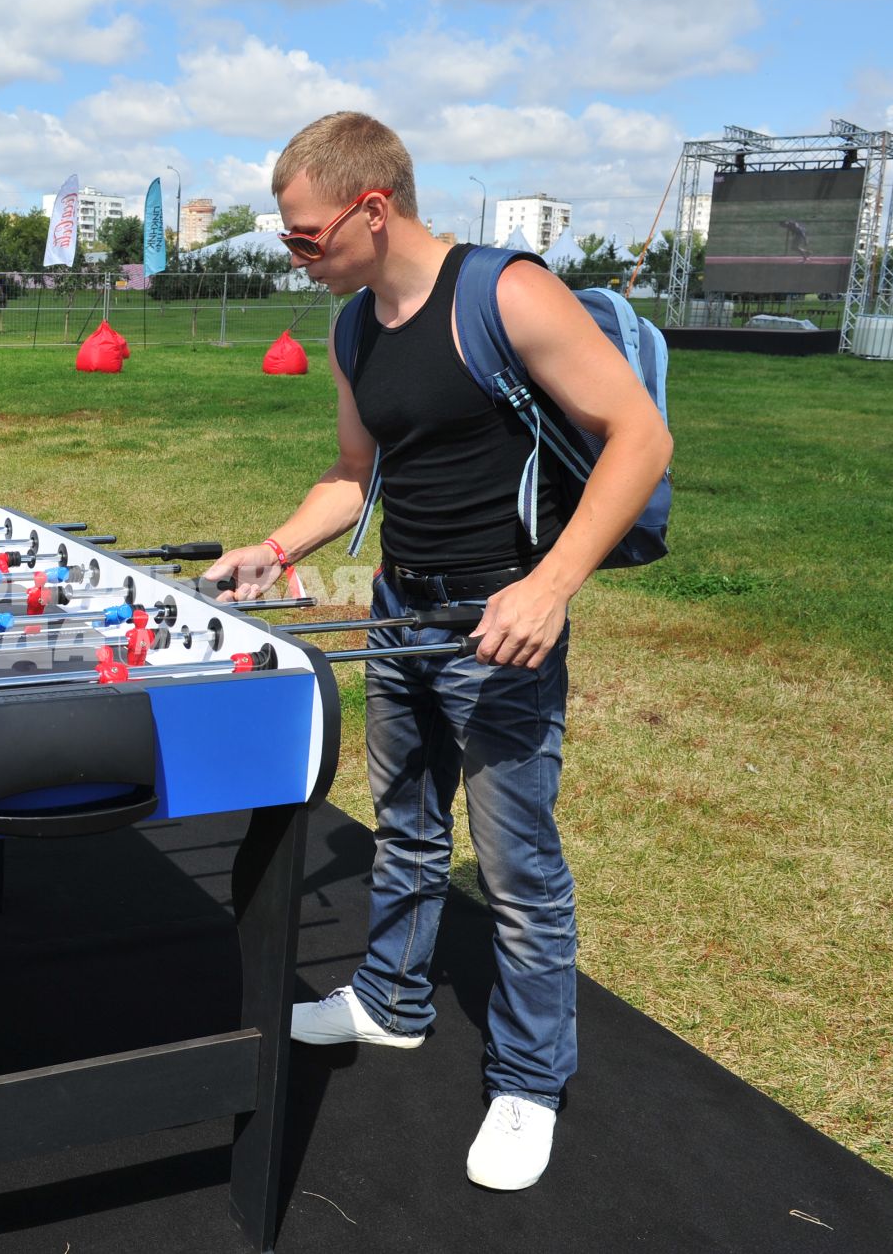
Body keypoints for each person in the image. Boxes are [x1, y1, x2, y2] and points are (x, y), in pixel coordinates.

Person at [205, 112, 670, 1191]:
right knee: (405, 826)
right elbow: (355, 470)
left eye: (307, 236)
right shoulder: (353, 327)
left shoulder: (503, 292)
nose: (296, 255)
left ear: (375, 209)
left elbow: (639, 435)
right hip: (398, 608)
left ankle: (528, 1077)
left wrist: (549, 584)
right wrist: (275, 549)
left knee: (517, 866)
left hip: (500, 626)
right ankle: (391, 1000)